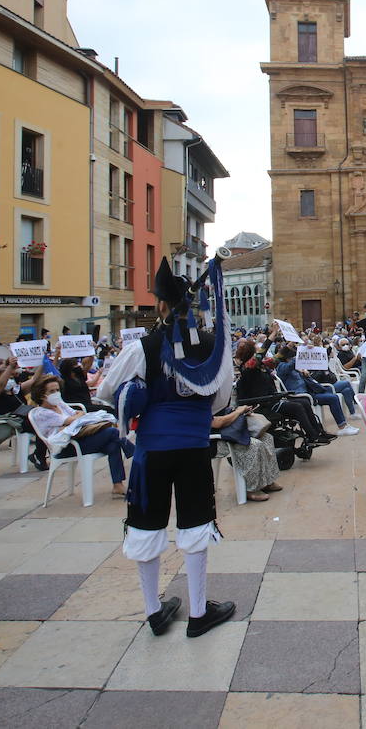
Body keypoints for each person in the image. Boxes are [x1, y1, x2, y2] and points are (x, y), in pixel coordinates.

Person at [98, 257, 236, 639]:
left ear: (161, 305)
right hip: (193, 448)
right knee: (195, 524)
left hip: (151, 452)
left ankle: (155, 611)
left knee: (146, 525)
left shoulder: (143, 348)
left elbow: (106, 392)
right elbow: (221, 399)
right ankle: (196, 612)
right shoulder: (213, 348)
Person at [26, 376, 132, 498]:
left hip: (78, 439)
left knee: (113, 445)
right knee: (112, 432)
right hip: (67, 447)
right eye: (52, 391)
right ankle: (133, 453)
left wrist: (74, 419)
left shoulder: (59, 404)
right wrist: (74, 419)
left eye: (57, 390)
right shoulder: (42, 413)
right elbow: (72, 418)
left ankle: (117, 485)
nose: (56, 394)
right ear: (41, 395)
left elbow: (79, 414)